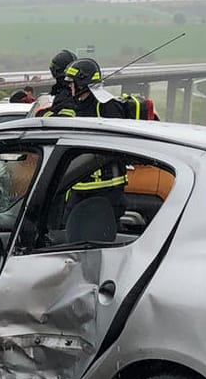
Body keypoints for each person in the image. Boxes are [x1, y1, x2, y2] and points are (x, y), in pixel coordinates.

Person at [45, 57, 144, 242]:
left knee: (97, 242)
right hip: (80, 186)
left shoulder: (106, 107)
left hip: (105, 191)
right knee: (71, 237)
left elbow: (116, 144)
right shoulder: (77, 106)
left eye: (73, 84)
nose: (70, 88)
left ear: (82, 83)